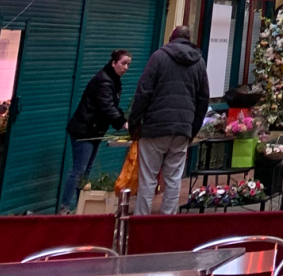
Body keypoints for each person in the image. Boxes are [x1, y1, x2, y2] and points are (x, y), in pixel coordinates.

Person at [129, 25, 209, 216]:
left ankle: (142, 219)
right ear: (189, 40)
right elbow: (203, 99)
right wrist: (192, 129)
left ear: (171, 38)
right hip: (182, 128)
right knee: (173, 178)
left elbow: (143, 92)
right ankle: (168, 220)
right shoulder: (198, 63)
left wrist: (134, 124)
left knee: (148, 177)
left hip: (155, 127)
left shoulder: (159, 57)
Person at [61, 49, 130, 212]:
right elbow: (106, 107)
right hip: (84, 130)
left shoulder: (113, 80)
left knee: (86, 171)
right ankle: (64, 207)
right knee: (79, 170)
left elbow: (112, 107)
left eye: (128, 64)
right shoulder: (104, 81)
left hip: (94, 131)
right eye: (123, 63)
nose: (126, 67)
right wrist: (124, 123)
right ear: (114, 63)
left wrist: (124, 119)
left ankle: (80, 206)